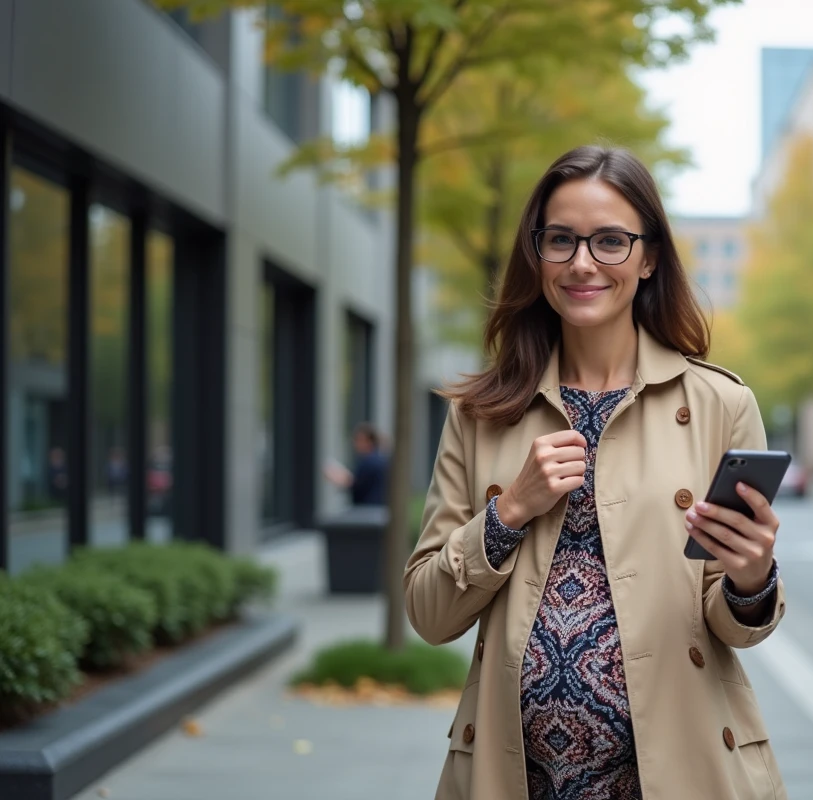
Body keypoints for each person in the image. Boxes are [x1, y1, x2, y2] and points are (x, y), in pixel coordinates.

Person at [405, 146, 786, 799]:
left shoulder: (721, 405)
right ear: (537, 254)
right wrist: (508, 513)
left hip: (676, 772)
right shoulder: (480, 414)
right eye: (561, 240)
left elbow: (731, 625)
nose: (582, 263)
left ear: (649, 257)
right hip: (517, 777)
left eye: (610, 241)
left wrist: (751, 579)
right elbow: (429, 614)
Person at [323, 422, 389, 506]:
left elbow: (354, 483)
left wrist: (335, 475)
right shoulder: (378, 459)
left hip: (369, 509)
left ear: (368, 441)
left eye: (358, 440)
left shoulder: (370, 461)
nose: (355, 444)